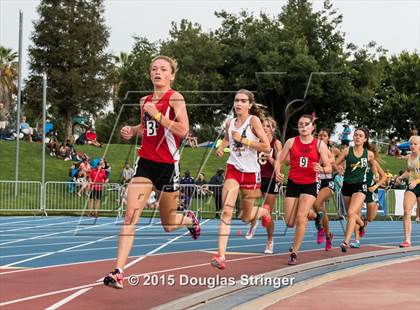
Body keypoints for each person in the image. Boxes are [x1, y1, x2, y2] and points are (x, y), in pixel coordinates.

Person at [103, 55, 200, 289]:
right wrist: (132, 131)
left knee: (168, 225)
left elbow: (183, 130)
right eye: (154, 69)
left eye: (163, 69)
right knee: (130, 216)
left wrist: (157, 114)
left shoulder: (175, 98)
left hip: (168, 167)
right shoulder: (145, 101)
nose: (158, 72)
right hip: (145, 164)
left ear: (171, 75)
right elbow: (147, 129)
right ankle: (118, 271)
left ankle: (189, 219)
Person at [210, 89, 271, 270]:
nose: (238, 104)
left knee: (245, 216)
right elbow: (227, 139)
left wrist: (244, 141)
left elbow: (266, 147)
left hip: (251, 174)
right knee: (226, 212)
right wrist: (221, 147)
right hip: (233, 170)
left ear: (250, 105)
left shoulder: (254, 121)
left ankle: (263, 212)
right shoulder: (230, 122)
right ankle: (221, 256)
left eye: (243, 101)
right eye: (236, 100)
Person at [275, 114, 331, 265]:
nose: (303, 126)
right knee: (289, 222)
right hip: (293, 182)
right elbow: (279, 160)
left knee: (300, 219)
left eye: (307, 124)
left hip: (310, 184)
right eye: (300, 124)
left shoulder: (320, 145)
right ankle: (314, 214)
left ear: (312, 127)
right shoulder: (291, 142)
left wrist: (322, 168)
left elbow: (329, 167)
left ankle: (294, 252)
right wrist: (278, 172)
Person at [334, 128, 378, 253]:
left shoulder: (369, 154)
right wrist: (339, 169)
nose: (357, 137)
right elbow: (335, 164)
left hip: (360, 186)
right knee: (350, 214)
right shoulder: (347, 151)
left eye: (360, 135)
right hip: (347, 185)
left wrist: (376, 175)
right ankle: (362, 224)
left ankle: (346, 241)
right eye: (356, 135)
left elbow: (373, 165)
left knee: (352, 212)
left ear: (365, 139)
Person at [245, 116, 282, 255]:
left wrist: (269, 157)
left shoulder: (276, 143)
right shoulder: (256, 141)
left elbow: (279, 164)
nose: (265, 128)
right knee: (248, 206)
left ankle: (270, 240)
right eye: (263, 125)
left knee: (268, 213)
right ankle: (253, 221)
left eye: (268, 126)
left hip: (271, 179)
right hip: (256, 176)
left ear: (273, 128)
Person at [312, 128, 341, 251]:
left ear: (328, 138)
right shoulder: (312, 149)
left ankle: (320, 229)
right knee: (319, 208)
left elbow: (334, 163)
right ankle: (328, 235)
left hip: (327, 182)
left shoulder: (331, 151)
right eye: (319, 135)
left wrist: (334, 164)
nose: (321, 137)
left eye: (324, 136)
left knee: (317, 203)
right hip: (315, 181)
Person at [350, 157, 387, 248]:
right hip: (359, 190)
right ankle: (357, 240)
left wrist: (376, 185)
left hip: (371, 190)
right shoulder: (357, 161)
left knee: (370, 218)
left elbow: (384, 177)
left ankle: (364, 222)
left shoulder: (374, 163)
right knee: (356, 213)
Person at [396, 135, 419, 247]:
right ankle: (407, 240)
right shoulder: (409, 157)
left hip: (418, 183)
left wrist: (417, 180)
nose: (413, 146)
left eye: (415, 144)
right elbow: (409, 171)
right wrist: (400, 177)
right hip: (412, 186)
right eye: (411, 144)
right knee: (406, 211)